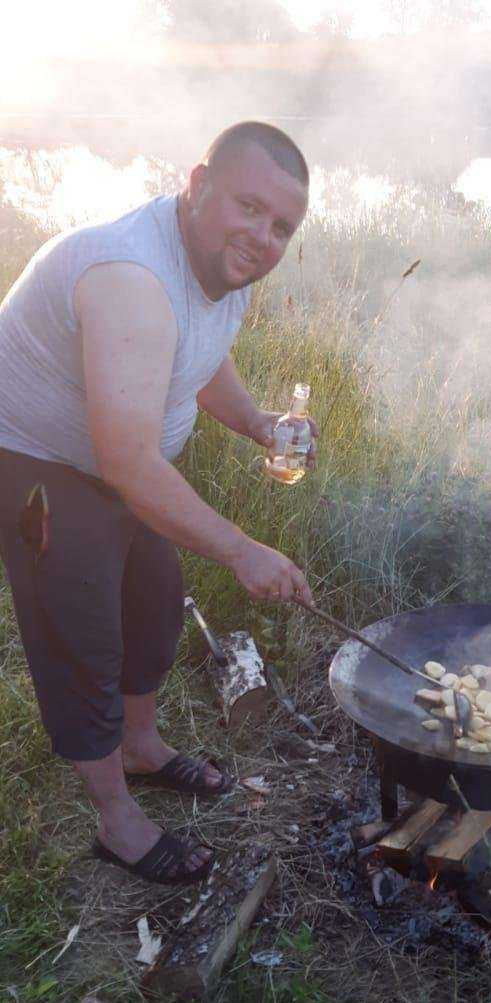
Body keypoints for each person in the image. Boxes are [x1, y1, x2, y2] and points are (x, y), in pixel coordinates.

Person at [0, 121, 317, 886]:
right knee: (82, 634)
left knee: (154, 601)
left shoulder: (214, 271)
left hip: (116, 468)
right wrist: (243, 549)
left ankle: (141, 748)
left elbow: (201, 355)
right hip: (32, 463)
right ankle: (117, 821)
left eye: (282, 226)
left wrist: (259, 423)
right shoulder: (130, 277)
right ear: (197, 182)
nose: (263, 237)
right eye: (249, 206)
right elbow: (129, 461)